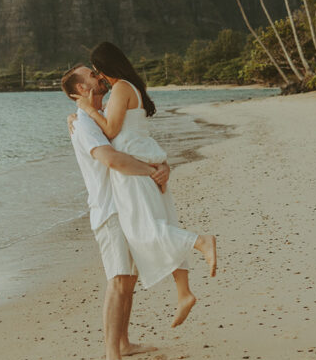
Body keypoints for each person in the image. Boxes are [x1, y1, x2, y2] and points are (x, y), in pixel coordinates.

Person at [76, 42, 217, 326]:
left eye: (96, 70)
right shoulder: (128, 88)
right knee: (164, 225)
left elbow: (112, 130)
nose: (96, 76)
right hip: (146, 163)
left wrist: (88, 112)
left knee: (145, 230)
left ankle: (201, 241)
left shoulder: (122, 88)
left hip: (135, 171)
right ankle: (184, 293)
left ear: (105, 67)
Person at [62, 64, 168, 360]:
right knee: (118, 281)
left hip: (125, 205)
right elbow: (112, 160)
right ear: (81, 89)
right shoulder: (84, 124)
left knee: (129, 280)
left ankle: (124, 343)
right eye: (92, 76)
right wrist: (152, 171)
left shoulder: (103, 116)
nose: (100, 77)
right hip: (109, 210)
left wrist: (162, 166)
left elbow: (133, 146)